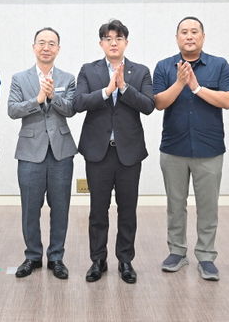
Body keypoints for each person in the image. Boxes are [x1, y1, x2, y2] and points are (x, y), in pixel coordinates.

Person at [153, 16, 229, 281]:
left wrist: (197, 88)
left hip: (209, 149)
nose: (189, 36)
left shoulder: (219, 65)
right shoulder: (164, 66)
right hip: (173, 148)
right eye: (184, 32)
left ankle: (206, 256)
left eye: (194, 32)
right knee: (175, 205)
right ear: (177, 38)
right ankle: (177, 252)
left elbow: (228, 100)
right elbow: (159, 103)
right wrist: (180, 83)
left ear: (203, 36)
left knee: (208, 207)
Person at [73, 19, 155, 284]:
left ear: (126, 43)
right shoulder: (89, 70)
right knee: (98, 210)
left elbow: (148, 105)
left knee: (127, 210)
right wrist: (107, 91)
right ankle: (98, 260)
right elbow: (78, 102)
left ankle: (125, 260)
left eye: (118, 38)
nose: (113, 43)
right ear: (101, 43)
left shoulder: (140, 71)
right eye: (108, 38)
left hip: (129, 152)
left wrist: (124, 88)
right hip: (98, 152)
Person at [8, 27, 77, 280]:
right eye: (42, 43)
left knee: (60, 207)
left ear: (58, 48)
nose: (46, 47)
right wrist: (38, 99)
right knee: (30, 207)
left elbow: (71, 109)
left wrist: (52, 97)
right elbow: (13, 110)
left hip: (61, 152)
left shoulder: (68, 78)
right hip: (29, 152)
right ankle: (33, 256)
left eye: (51, 43)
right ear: (34, 46)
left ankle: (56, 257)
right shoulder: (20, 78)